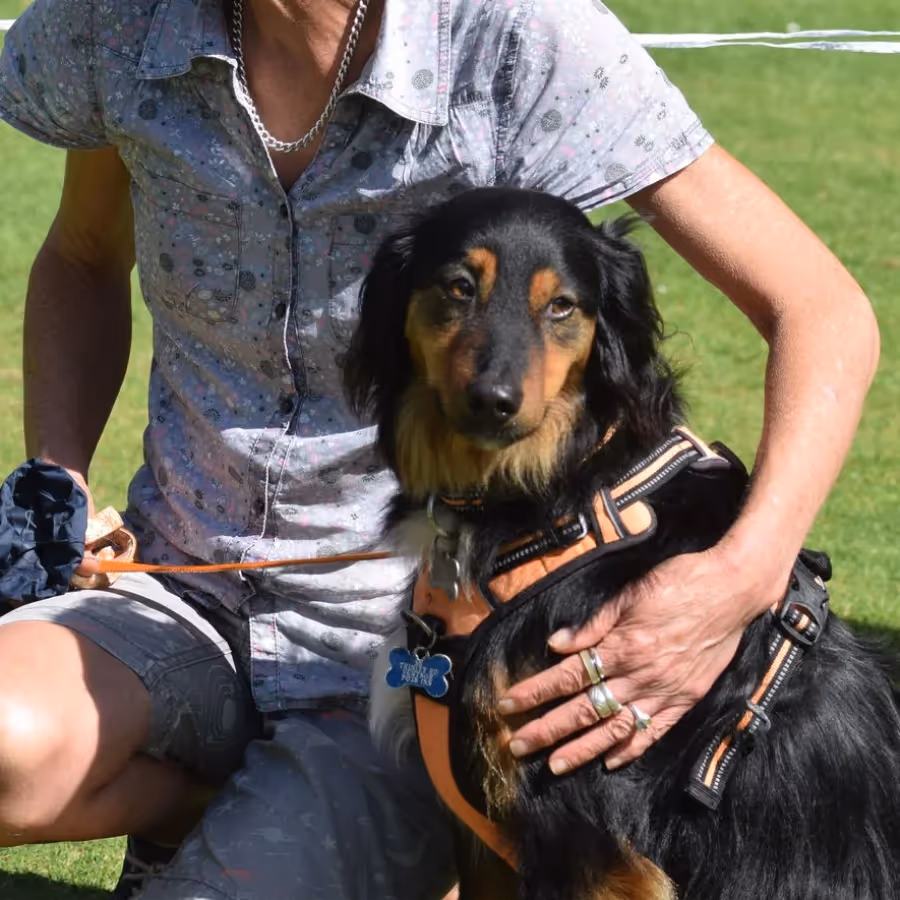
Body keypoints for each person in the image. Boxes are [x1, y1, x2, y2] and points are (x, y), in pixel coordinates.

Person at [0, 0, 878, 897]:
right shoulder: (117, 21)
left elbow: (822, 310)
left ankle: (342, 824)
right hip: (177, 586)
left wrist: (746, 574)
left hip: (403, 652)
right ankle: (200, 805)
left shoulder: (519, 37)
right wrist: (58, 485)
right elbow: (80, 255)